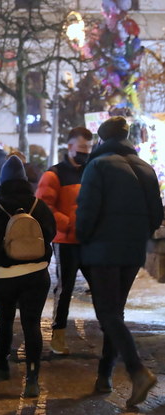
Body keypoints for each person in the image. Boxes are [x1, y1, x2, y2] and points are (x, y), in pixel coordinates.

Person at [76, 116, 163, 407]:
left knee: (108, 314)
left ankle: (137, 371)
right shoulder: (146, 169)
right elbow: (156, 216)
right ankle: (104, 376)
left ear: (101, 139)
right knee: (115, 314)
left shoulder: (97, 166)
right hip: (132, 252)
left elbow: (86, 212)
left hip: (102, 251)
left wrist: (83, 239)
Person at [0, 155, 56, 398]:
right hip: (36, 274)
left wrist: (2, 246)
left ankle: (1, 363)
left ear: (2, 180)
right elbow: (51, 232)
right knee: (32, 324)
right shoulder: (37, 205)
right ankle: (32, 377)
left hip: (4, 275)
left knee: (5, 319)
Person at [35, 126, 94, 355]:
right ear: (69, 147)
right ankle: (58, 336)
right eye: (81, 148)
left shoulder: (92, 170)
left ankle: (110, 333)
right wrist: (69, 223)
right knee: (65, 288)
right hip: (66, 242)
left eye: (88, 148)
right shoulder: (54, 174)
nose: (85, 152)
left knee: (99, 287)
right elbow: (44, 207)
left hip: (89, 240)